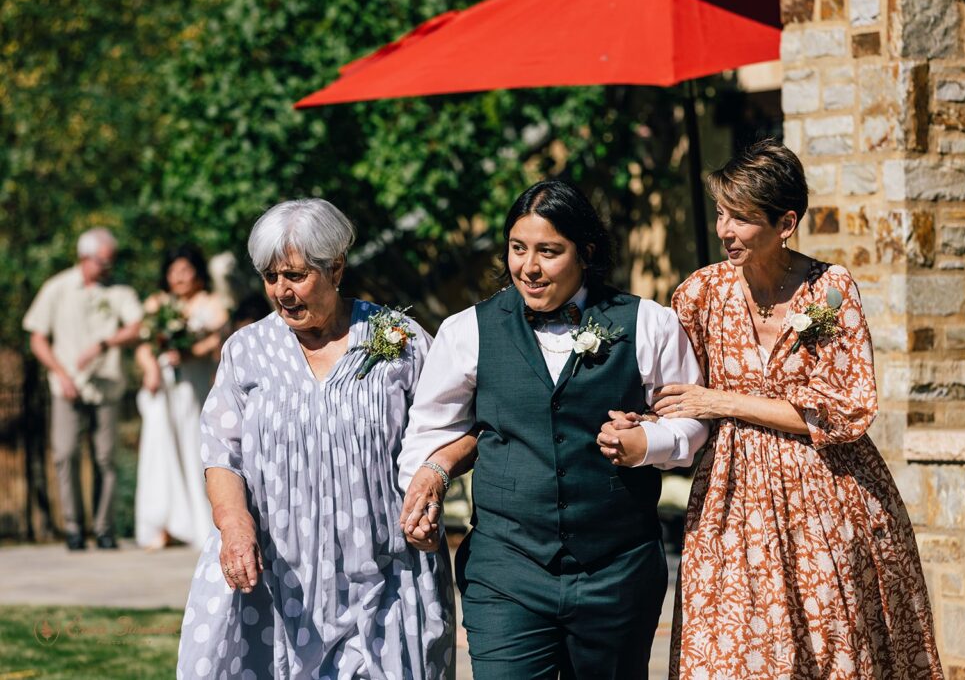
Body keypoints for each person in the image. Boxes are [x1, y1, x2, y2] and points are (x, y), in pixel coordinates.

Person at [612, 138, 942, 678]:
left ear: (785, 223)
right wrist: (645, 421)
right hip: (732, 499)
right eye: (721, 213)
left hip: (829, 500)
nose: (724, 231)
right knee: (732, 652)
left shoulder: (831, 291)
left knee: (830, 645)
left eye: (741, 218)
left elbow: (844, 412)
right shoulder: (700, 293)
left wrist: (722, 400)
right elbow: (681, 396)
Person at [397, 180, 709, 679]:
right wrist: (427, 477)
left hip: (618, 572)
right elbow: (429, 431)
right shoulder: (467, 331)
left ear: (585, 252)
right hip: (506, 572)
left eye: (549, 251)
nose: (529, 267)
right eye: (518, 249)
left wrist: (646, 443)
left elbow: (693, 421)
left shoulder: (648, 322)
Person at [176, 199, 468, 679]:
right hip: (277, 580)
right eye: (271, 277)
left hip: (387, 573)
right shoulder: (246, 352)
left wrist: (432, 483)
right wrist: (234, 526)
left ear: (336, 268)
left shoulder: (400, 339)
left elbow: (451, 427)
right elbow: (221, 452)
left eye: (295, 275)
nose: (281, 291)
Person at [23, 228, 143, 550]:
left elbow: (137, 327)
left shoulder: (119, 291)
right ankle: (74, 529)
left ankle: (104, 530)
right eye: (104, 260)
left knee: (106, 459)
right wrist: (60, 374)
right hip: (67, 387)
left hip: (106, 386)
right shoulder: (57, 288)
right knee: (65, 454)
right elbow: (37, 338)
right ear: (85, 257)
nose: (109, 266)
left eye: (111, 260)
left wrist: (105, 343)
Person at [134, 244, 227, 550]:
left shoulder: (211, 302)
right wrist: (150, 369)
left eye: (185, 271)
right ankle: (163, 523)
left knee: (193, 445)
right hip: (163, 386)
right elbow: (144, 344)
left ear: (197, 273)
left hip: (193, 382)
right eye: (174, 272)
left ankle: (199, 521)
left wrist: (189, 352)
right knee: (159, 447)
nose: (180, 278)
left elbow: (219, 336)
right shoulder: (157, 303)